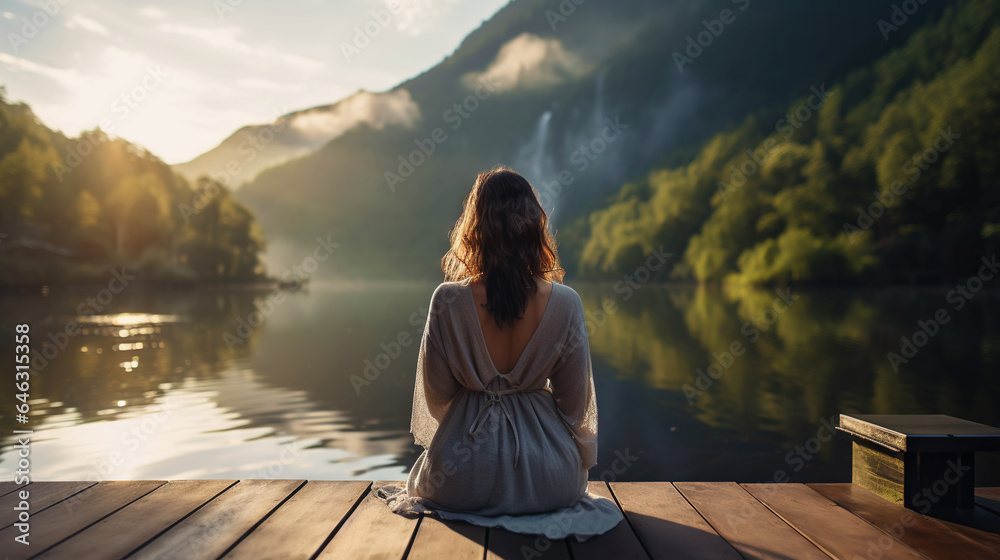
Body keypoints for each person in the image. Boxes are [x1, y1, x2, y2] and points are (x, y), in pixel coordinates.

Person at [373, 166, 623, 541]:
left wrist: (473, 414)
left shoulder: (447, 299)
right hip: (549, 481)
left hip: (460, 479)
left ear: (473, 228)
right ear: (535, 226)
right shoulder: (566, 303)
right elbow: (576, 404)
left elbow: (437, 392)